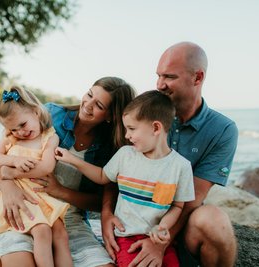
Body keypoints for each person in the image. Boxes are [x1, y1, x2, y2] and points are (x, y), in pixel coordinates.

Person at [0, 77, 136, 267]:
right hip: (24, 205)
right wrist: (8, 188)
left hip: (67, 218)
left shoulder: (112, 147)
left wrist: (61, 191)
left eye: (99, 105)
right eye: (89, 94)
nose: (87, 105)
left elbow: (99, 201)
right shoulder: (47, 115)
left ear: (111, 115)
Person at [101, 42, 239, 267]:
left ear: (198, 77)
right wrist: (106, 213)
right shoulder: (145, 114)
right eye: (158, 75)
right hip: (133, 225)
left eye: (169, 77)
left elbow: (192, 199)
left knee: (215, 221)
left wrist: (160, 243)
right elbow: (117, 170)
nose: (159, 84)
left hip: (179, 224)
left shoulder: (222, 130)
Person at [54, 90, 195, 267]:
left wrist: (163, 226)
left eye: (132, 129)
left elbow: (178, 205)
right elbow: (102, 176)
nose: (127, 135)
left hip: (158, 241)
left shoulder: (181, 166)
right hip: (125, 237)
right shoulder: (125, 155)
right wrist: (71, 159)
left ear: (156, 128)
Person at [0, 86, 72, 267]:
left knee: (61, 234)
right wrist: (13, 159)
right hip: (18, 195)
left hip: (41, 196)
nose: (20, 132)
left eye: (22, 125)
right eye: (13, 129)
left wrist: (12, 172)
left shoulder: (49, 137)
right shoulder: (10, 139)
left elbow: (46, 166)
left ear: (36, 112)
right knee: (43, 231)